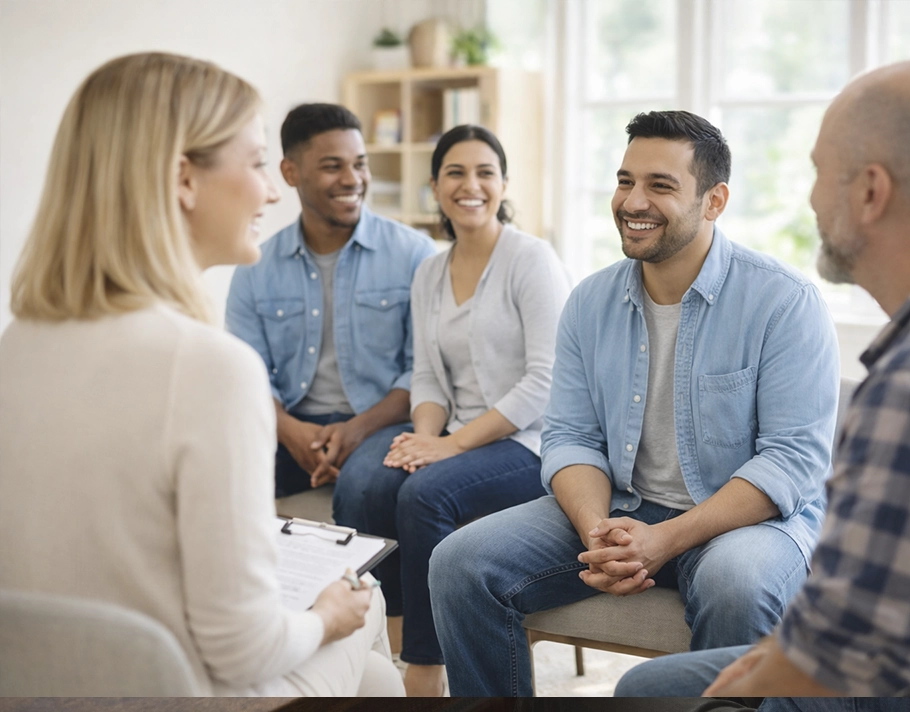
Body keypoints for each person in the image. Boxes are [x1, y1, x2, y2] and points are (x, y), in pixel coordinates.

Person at [614, 60, 910, 698]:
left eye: (817, 172)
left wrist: (743, 686)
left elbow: (863, 644)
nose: (809, 198)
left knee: (647, 692)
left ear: (868, 192)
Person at [0, 53, 403, 696]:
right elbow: (243, 649)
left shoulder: (14, 346)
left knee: (378, 681)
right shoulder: (207, 369)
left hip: (41, 684)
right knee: (365, 599)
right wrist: (328, 615)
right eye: (254, 164)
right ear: (183, 178)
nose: (272, 191)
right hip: (175, 689)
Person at [429, 110, 840, 696]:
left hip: (742, 524)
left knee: (739, 586)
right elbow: (570, 437)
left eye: (660, 185)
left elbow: (792, 462)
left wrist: (665, 541)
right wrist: (599, 531)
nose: (633, 201)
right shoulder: (589, 302)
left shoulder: (784, 302)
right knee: (459, 562)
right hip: (624, 505)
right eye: (625, 181)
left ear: (714, 201)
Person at [330, 124, 570, 696]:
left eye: (485, 172)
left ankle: (426, 666)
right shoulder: (430, 270)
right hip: (456, 434)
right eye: (455, 173)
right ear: (435, 186)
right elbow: (427, 375)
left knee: (426, 493)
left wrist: (449, 448)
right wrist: (423, 439)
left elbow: (547, 379)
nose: (471, 186)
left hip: (529, 441)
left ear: (504, 184)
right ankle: (377, 644)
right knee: (370, 484)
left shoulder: (530, 259)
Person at [225, 103, 436, 512]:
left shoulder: (415, 255)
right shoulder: (255, 266)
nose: (352, 179)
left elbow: (423, 368)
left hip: (382, 424)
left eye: (360, 164)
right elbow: (246, 369)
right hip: (290, 424)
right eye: (332, 166)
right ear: (290, 173)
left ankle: (359, 580)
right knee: (218, 477)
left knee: (362, 487)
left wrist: (358, 429)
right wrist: (289, 431)